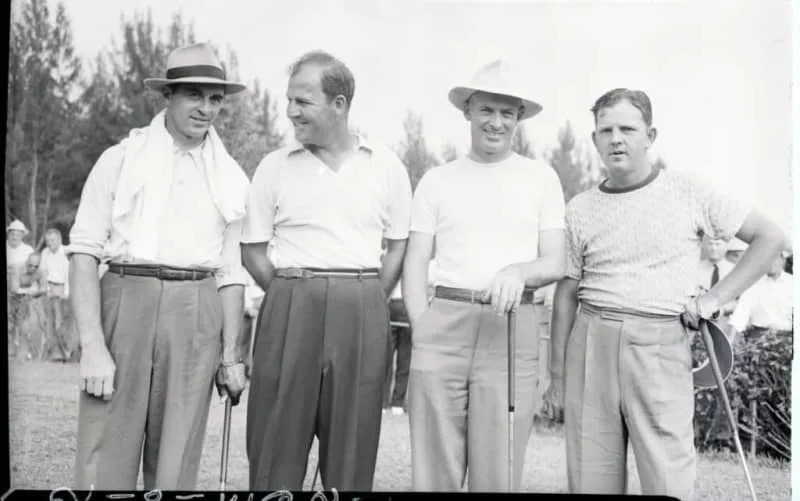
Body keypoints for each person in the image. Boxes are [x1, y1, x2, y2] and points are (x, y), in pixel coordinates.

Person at [543, 88, 786, 500]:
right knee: (590, 477)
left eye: (627, 128)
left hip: (659, 343)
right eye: (606, 130)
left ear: (650, 136)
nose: (616, 138)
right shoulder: (580, 207)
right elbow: (566, 293)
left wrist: (713, 299)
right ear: (595, 140)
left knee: (668, 479)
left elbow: (770, 238)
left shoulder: (689, 190)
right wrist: (558, 376)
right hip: (591, 340)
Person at [68, 43, 250, 490]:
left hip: (195, 312)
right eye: (194, 95)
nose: (206, 109)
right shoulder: (120, 159)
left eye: (215, 98)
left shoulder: (231, 177)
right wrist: (92, 345)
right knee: (106, 447)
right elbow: (85, 252)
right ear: (167, 96)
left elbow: (230, 272)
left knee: (176, 458)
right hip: (127, 298)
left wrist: (230, 357)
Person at [241, 50, 412, 491]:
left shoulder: (386, 166)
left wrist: (365, 297)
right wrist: (295, 292)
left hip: (362, 309)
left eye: (303, 101)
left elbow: (397, 247)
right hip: (290, 305)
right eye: (289, 100)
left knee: (351, 452)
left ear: (339, 105)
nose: (290, 111)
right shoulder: (274, 167)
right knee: (275, 445)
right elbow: (254, 253)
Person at [403, 59, 566, 492]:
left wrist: (518, 271)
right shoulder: (436, 180)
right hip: (445, 322)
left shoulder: (541, 179)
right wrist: (422, 326)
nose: (496, 122)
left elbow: (555, 261)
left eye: (507, 113)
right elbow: (416, 260)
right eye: (486, 110)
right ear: (468, 112)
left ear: (519, 119)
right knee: (434, 468)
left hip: (511, 327)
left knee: (499, 470)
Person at [729, 250, 793, 339]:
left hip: (787, 339)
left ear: (783, 259)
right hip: (758, 338)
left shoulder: (793, 283)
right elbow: (739, 316)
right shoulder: (754, 283)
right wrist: (732, 342)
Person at [40, 228, 72, 360]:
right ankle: (53, 353)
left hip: (63, 288)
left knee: (61, 322)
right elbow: (43, 272)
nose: (49, 243)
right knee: (49, 321)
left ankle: (67, 352)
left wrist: (66, 292)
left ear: (59, 240)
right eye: (47, 241)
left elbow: (69, 274)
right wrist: (46, 288)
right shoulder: (45, 252)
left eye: (52, 240)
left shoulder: (66, 252)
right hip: (49, 287)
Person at [384, 280, 412, 415]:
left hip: (396, 303)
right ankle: (396, 402)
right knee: (400, 360)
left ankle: (387, 401)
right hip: (402, 305)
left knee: (391, 359)